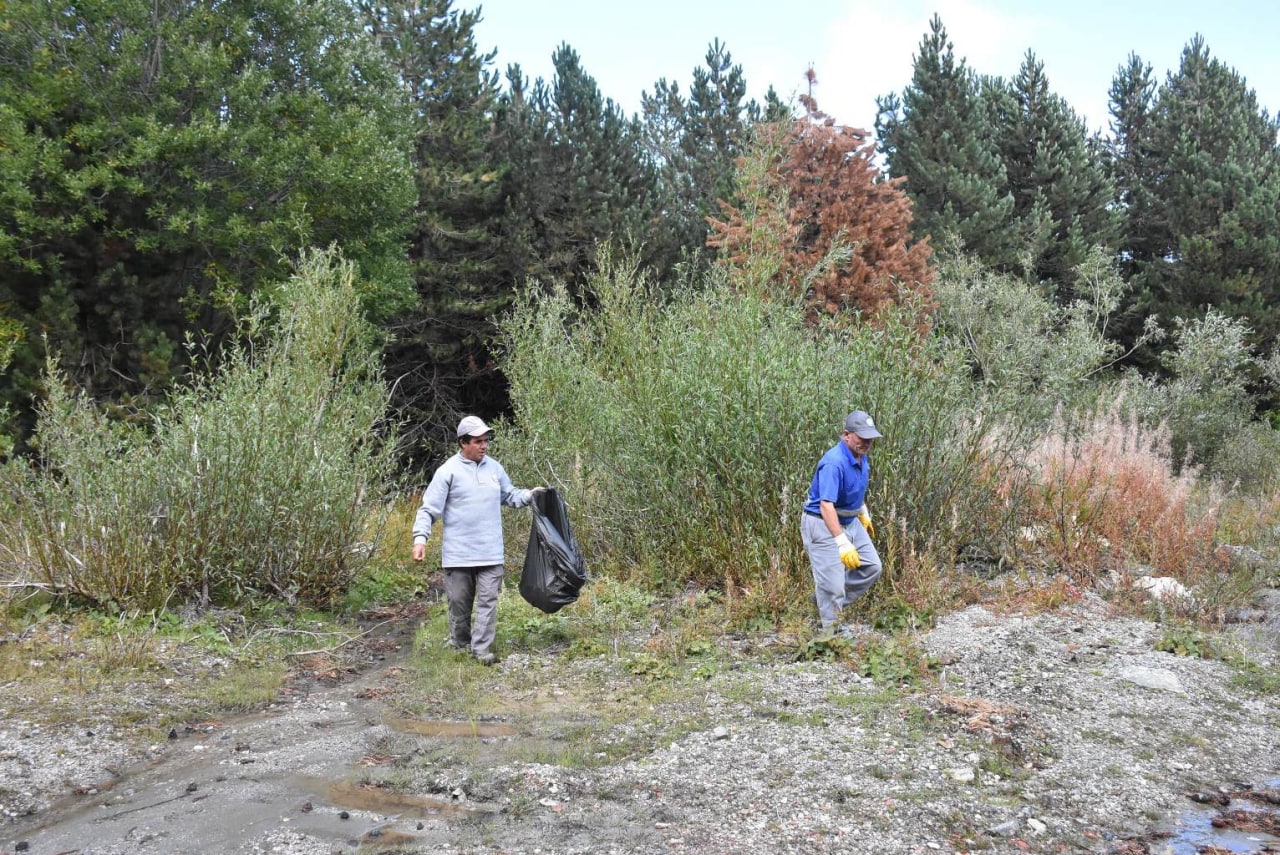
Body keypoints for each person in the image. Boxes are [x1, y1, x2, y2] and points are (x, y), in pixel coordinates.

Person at [412, 416, 541, 665]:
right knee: (459, 603)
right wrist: (420, 539)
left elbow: (510, 495)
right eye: (478, 441)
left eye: (485, 441)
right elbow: (429, 509)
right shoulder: (448, 471)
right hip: (458, 554)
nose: (484, 446)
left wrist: (530, 495)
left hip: (490, 552)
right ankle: (460, 643)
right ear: (463, 442)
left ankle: (481, 650)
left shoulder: (495, 468)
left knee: (487, 602)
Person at [801, 410, 884, 635]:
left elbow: (854, 487)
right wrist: (842, 542)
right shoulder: (833, 463)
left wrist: (862, 511)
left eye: (870, 438)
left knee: (872, 566)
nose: (867, 443)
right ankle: (831, 633)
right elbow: (825, 505)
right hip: (822, 523)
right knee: (833, 586)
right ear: (847, 435)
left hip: (849, 520)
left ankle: (825, 600)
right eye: (862, 437)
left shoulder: (860, 456)